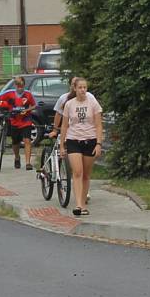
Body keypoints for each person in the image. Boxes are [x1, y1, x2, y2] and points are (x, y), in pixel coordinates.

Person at [59, 78, 103, 216]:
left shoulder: (93, 103)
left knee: (86, 174)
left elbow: (98, 125)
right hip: (73, 140)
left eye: (85, 87)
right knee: (77, 172)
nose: (83, 90)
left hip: (89, 140)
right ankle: (78, 204)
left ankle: (83, 204)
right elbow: (64, 125)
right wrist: (62, 145)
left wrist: (98, 144)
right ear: (75, 89)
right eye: (80, 88)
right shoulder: (69, 104)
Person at [0, 76, 37, 170]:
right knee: (15, 142)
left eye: (22, 86)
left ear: (24, 85)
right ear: (15, 85)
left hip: (26, 120)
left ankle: (28, 163)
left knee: (27, 140)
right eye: (18, 86)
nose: (20, 88)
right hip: (14, 121)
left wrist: (27, 110)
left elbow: (34, 105)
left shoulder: (28, 94)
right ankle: (17, 157)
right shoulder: (9, 93)